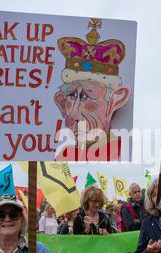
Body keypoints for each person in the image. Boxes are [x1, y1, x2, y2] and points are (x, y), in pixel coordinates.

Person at [54, 18, 131, 161]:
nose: (71, 119)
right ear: (61, 103)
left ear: (114, 102)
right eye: (71, 97)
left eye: (85, 98)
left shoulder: (120, 156)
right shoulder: (63, 158)